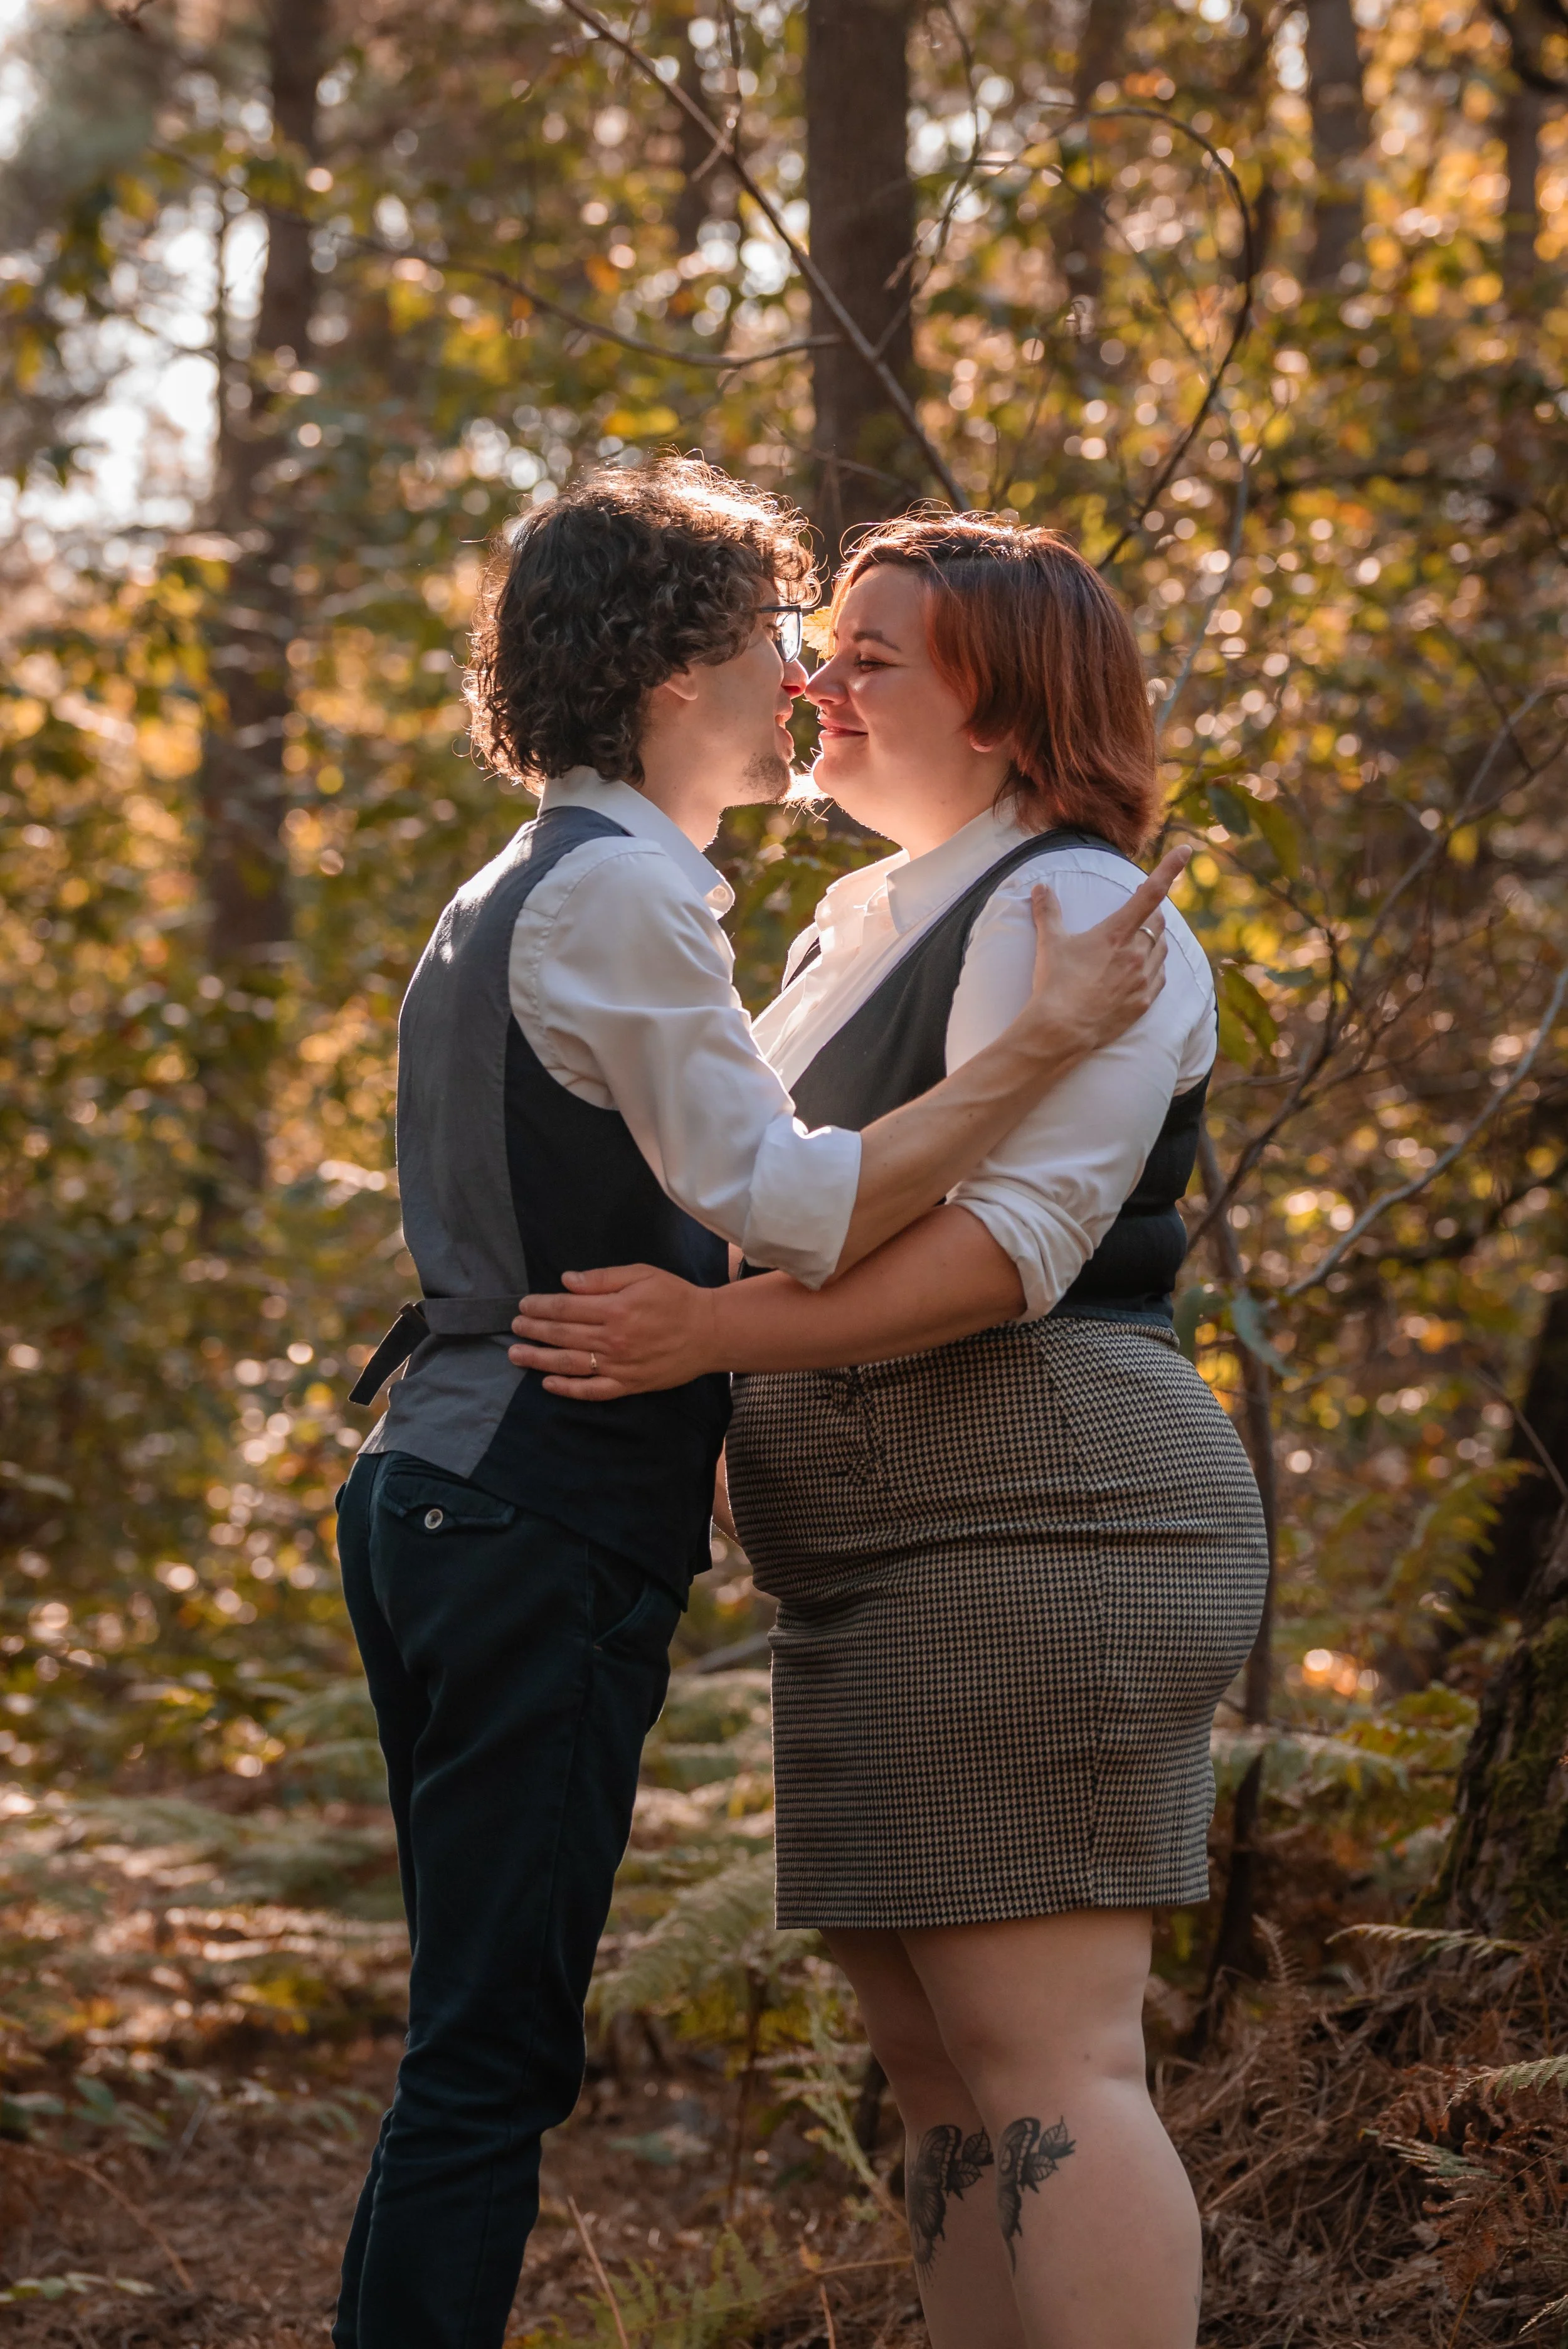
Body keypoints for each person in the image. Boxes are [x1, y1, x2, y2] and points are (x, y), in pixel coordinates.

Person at [330, 464, 1185, 2349]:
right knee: (516, 2056)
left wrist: (714, 1344)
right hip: (559, 1493)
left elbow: (973, 1237)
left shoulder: (1029, 907)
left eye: (857, 658)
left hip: (945, 1504)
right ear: (670, 677)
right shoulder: (694, 905)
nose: (806, 686)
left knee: (1006, 2056)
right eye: (790, 649)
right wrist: (1025, 1051)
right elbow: (784, 1203)